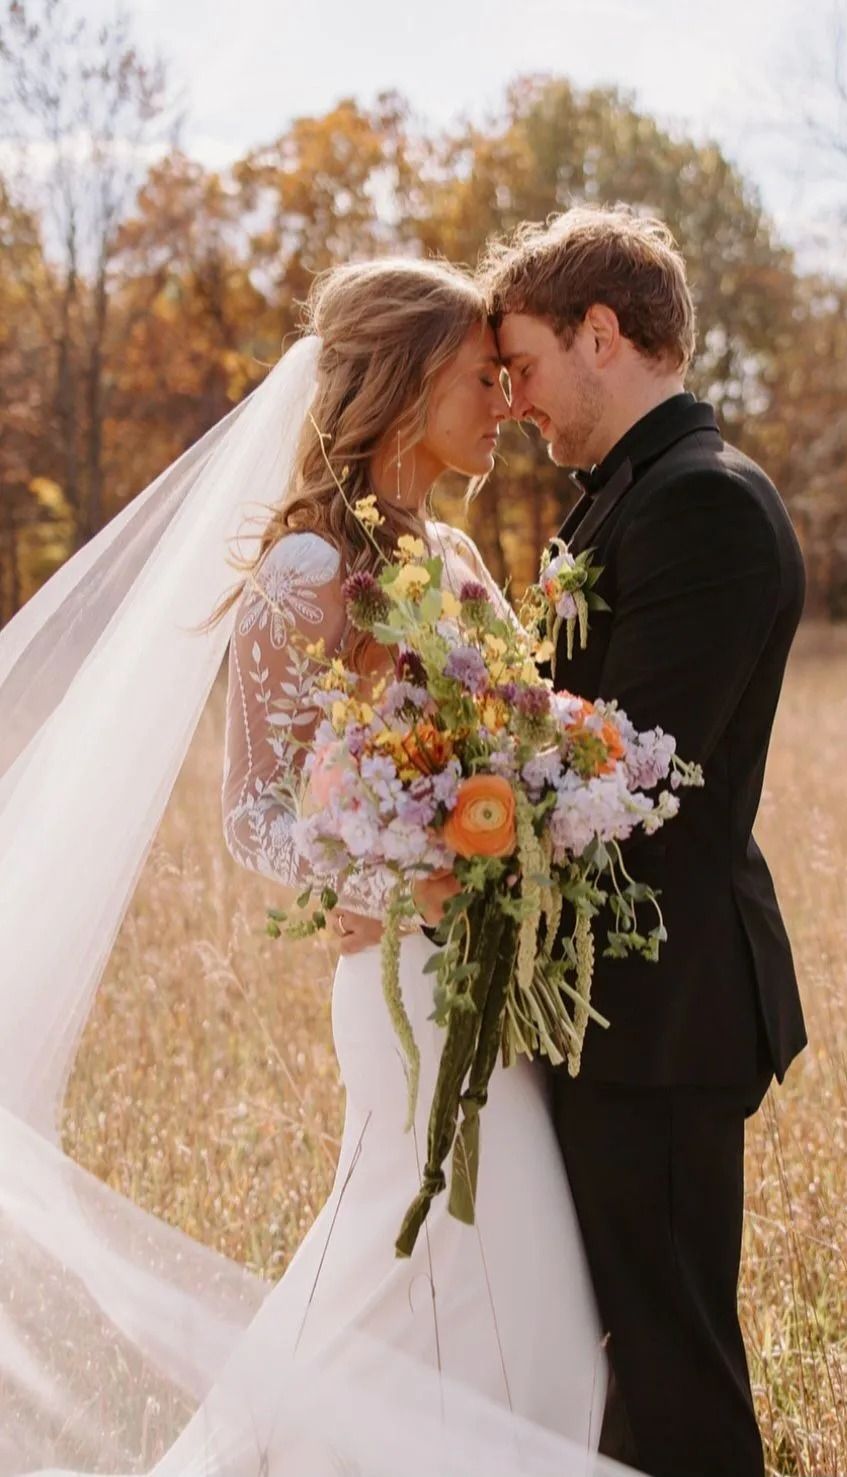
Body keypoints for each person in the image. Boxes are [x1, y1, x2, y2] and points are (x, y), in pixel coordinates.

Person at [0, 259, 611, 1475]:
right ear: (400, 387)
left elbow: (517, 740)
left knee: (476, 1302)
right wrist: (394, 882)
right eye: (479, 376)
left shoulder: (463, 562)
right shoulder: (307, 573)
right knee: (472, 1284)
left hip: (498, 988)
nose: (503, 402)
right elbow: (254, 813)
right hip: (409, 998)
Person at [482, 206, 808, 1477]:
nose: (514, 399)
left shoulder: (704, 505)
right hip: (616, 1001)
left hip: (664, 1005)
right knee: (623, 1348)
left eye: (524, 364)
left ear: (601, 333)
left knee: (672, 1360)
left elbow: (631, 770)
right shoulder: (634, 494)